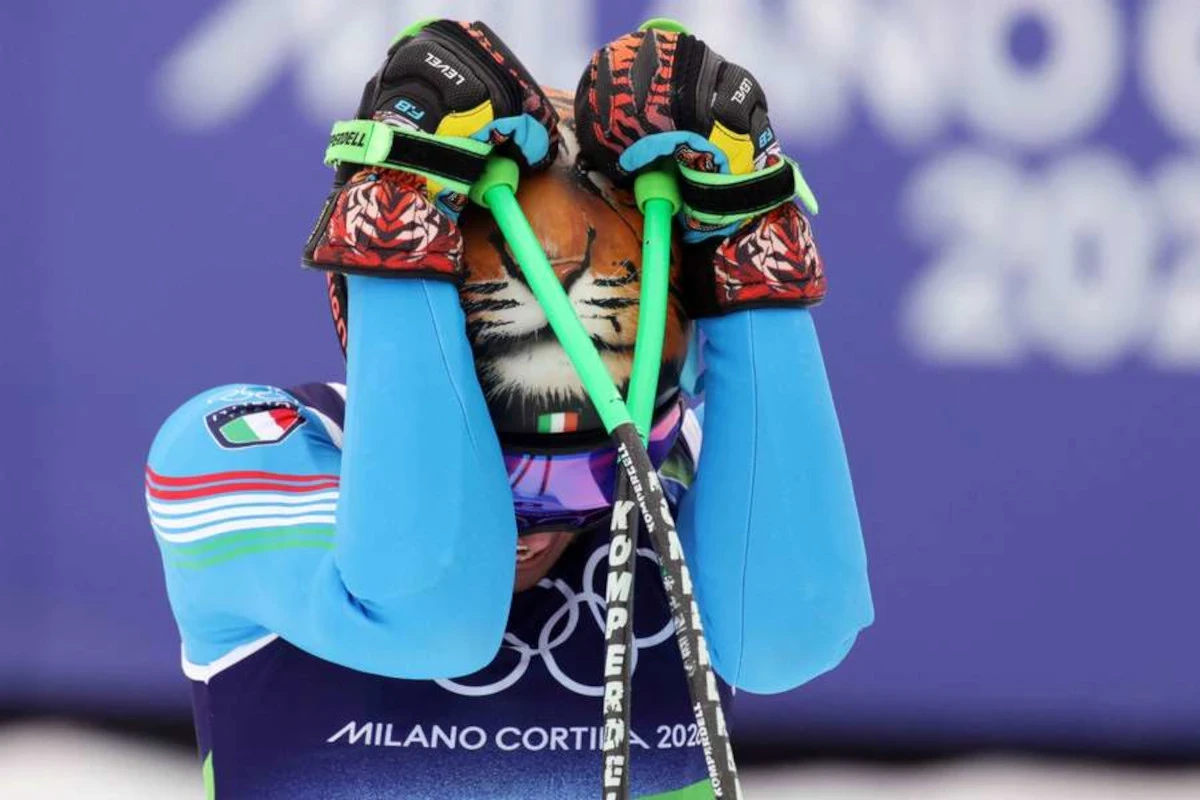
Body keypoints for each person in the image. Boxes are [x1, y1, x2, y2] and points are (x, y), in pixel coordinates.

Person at [145, 19, 873, 800]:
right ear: (410, 363)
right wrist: (399, 202)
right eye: (492, 463)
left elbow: (790, 636)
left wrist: (750, 228)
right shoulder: (238, 455)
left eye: (584, 489)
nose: (526, 535)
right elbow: (430, 614)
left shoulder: (681, 461)